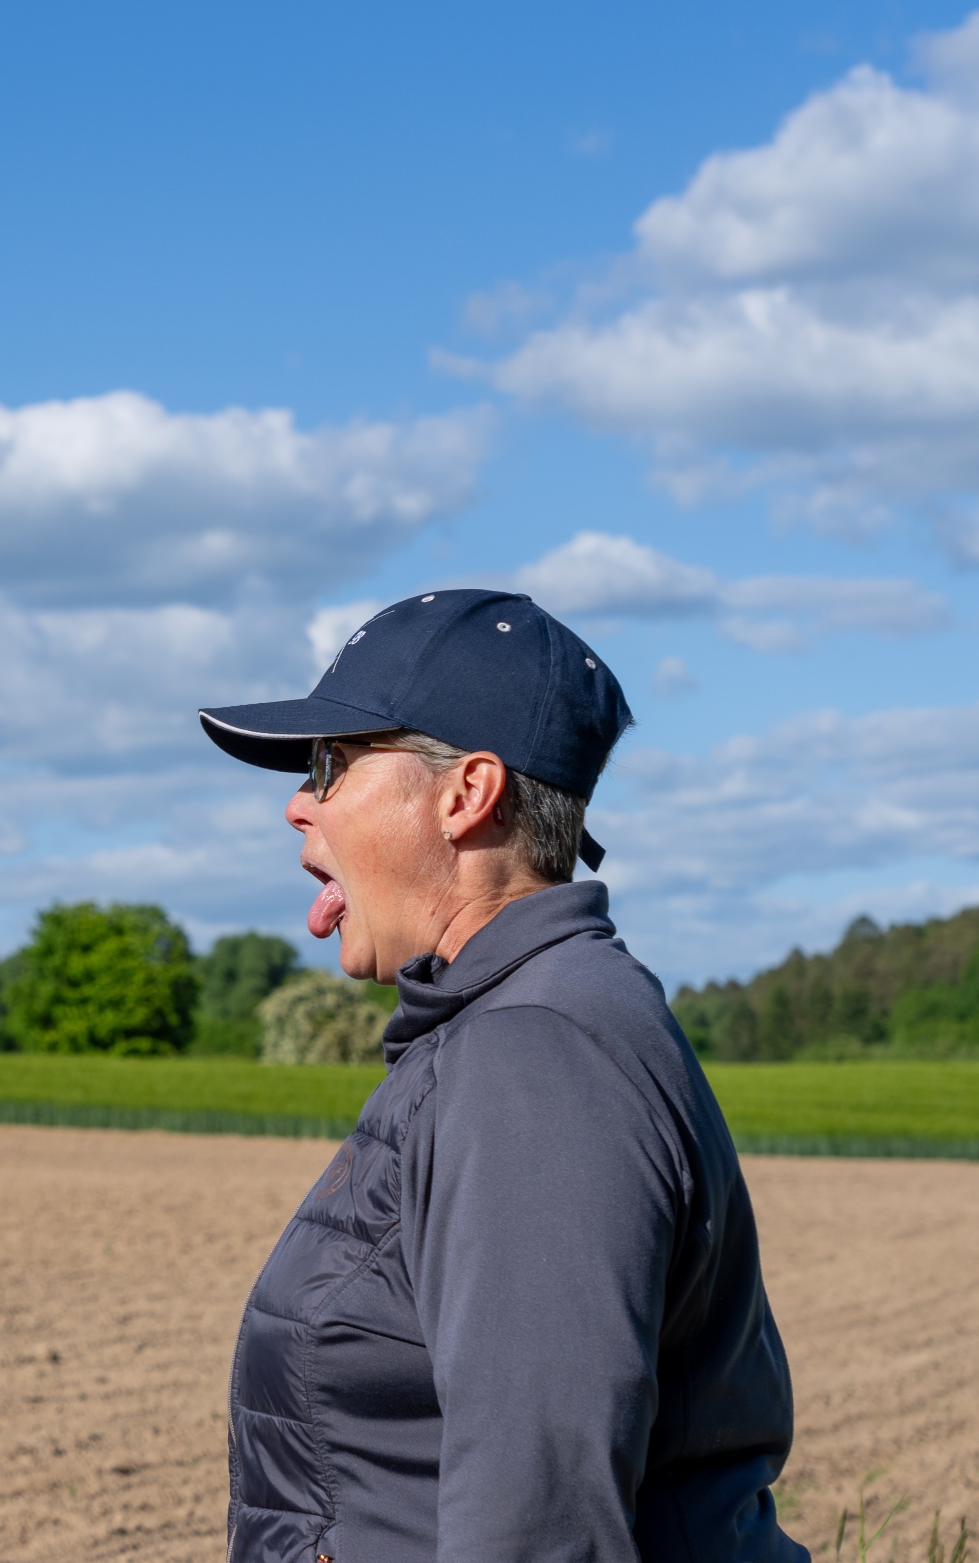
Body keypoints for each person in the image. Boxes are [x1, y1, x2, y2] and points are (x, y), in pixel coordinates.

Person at [198, 589, 806, 1563]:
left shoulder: (537, 1060)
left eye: (335, 763)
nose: (298, 802)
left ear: (466, 794)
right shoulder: (523, 1025)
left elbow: (540, 1533)